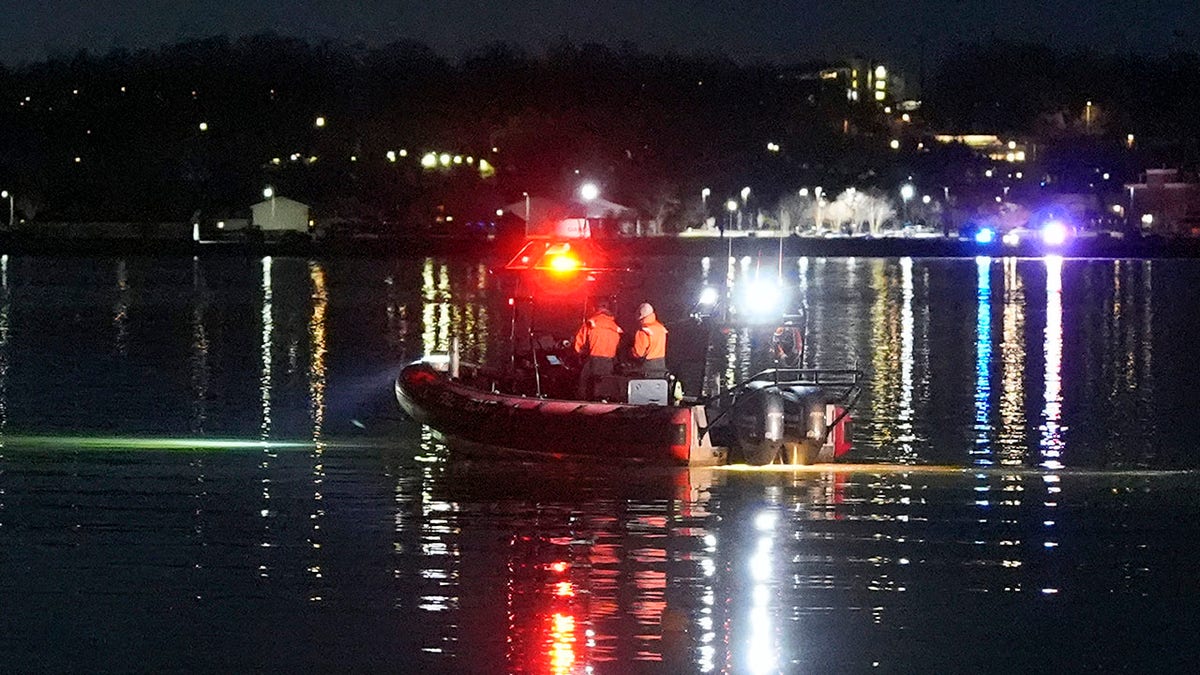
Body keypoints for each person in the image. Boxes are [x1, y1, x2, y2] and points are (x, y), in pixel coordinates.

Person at [573, 301, 622, 399]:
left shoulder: (591, 323)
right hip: (609, 362)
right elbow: (618, 346)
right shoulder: (615, 327)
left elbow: (579, 344)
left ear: (595, 309)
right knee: (604, 388)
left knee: (584, 385)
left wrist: (580, 354)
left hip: (593, 361)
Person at [630, 302, 668, 378]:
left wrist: (631, 351)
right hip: (661, 365)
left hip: (648, 367)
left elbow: (639, 353)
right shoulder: (661, 328)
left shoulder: (643, 331)